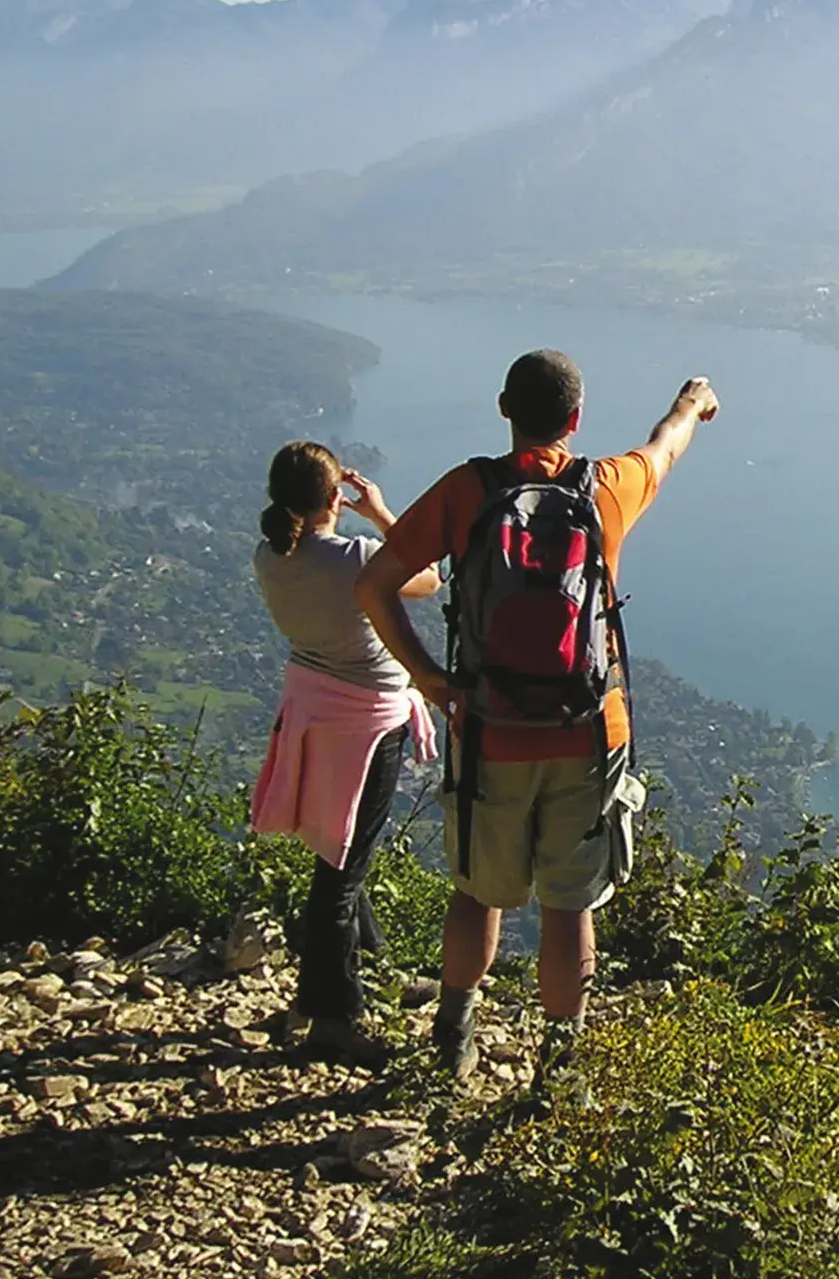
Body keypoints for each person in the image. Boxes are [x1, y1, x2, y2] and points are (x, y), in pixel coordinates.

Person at [356, 350, 719, 1081]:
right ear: (576, 420)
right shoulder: (606, 488)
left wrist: (429, 678)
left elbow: (376, 585)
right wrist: (693, 404)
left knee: (476, 892)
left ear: (503, 409)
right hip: (587, 734)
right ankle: (560, 1071)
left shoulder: (467, 492)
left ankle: (454, 1040)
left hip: (488, 731)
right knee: (569, 906)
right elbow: (666, 445)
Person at [250, 440, 441, 1067]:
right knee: (342, 872)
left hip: (311, 716)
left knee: (335, 851)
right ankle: (334, 1018)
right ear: (337, 498)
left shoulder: (270, 557)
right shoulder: (357, 558)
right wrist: (382, 513)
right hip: (365, 727)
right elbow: (428, 579)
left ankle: (362, 975)